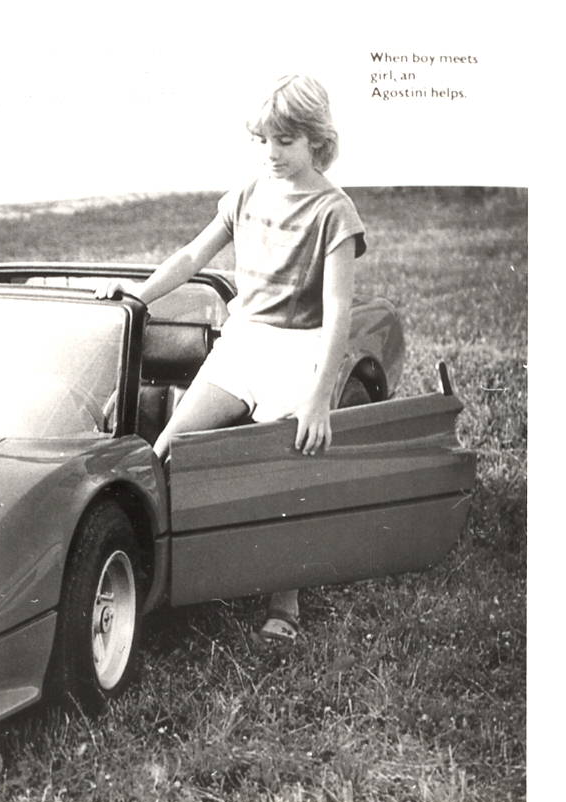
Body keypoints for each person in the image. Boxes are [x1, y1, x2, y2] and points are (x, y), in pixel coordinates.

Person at [96, 75, 366, 642]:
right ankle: (151, 579)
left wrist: (320, 398)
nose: (271, 152)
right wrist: (137, 295)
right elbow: (193, 255)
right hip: (243, 343)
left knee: (285, 472)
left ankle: (285, 602)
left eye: (285, 141)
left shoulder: (335, 212)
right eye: (263, 140)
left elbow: (339, 312)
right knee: (167, 451)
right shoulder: (247, 194)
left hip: (299, 350)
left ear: (317, 141)